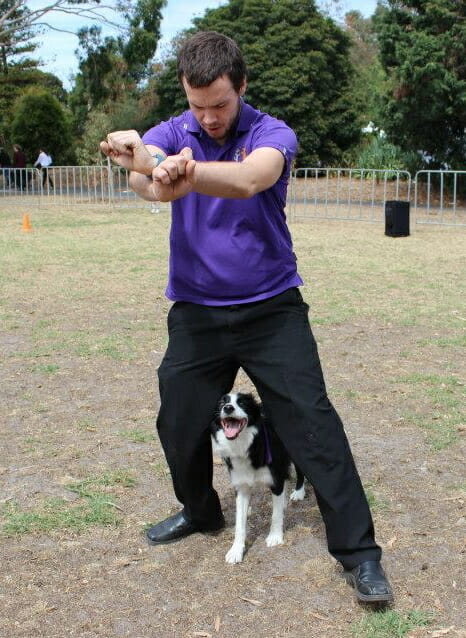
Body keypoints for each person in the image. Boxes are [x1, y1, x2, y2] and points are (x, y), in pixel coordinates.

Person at [100, 31, 393, 604]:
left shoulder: (270, 133)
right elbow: (148, 183)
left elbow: (249, 179)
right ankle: (201, 512)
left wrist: (177, 171)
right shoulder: (174, 131)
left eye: (220, 105)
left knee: (313, 422)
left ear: (242, 88)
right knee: (178, 420)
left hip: (271, 309)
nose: (208, 118)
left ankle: (360, 555)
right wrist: (136, 159)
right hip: (197, 311)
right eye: (197, 105)